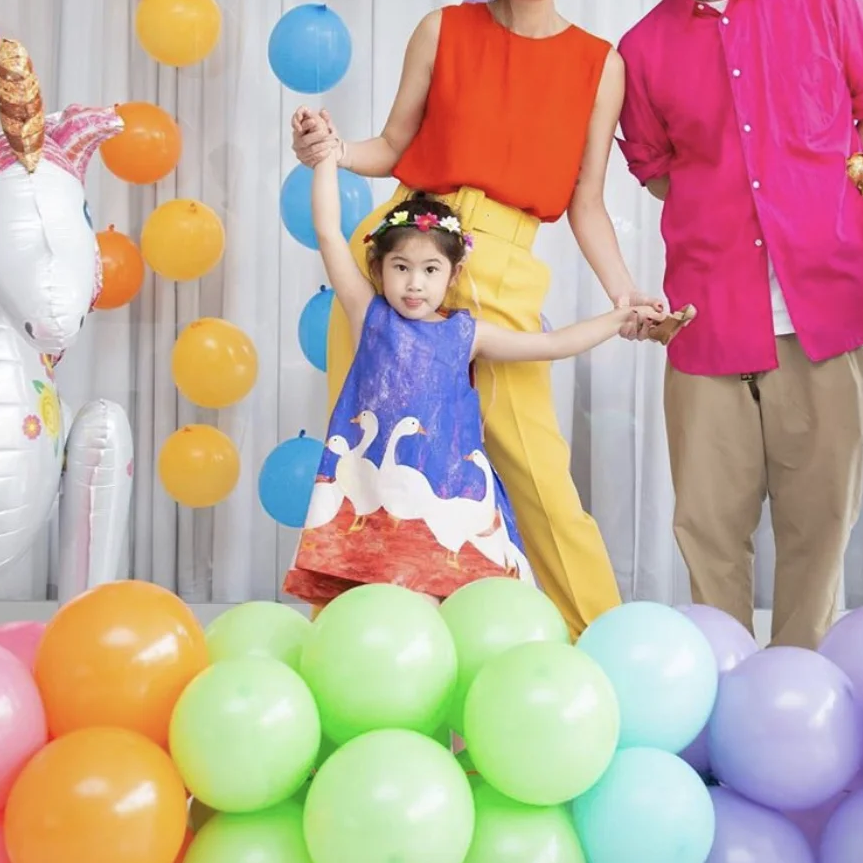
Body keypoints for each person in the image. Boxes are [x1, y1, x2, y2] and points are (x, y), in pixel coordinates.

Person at [291, 0, 681, 635]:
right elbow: (391, 145)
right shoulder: (442, 31)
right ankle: (358, 648)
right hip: (400, 255)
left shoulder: (599, 65)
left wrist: (625, 295)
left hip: (502, 266)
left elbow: (587, 201)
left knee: (539, 476)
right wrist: (330, 150)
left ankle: (604, 648)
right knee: (368, 465)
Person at [614, 0, 863, 649]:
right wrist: (731, 215)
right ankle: (722, 678)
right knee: (707, 522)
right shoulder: (641, 49)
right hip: (709, 312)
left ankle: (800, 683)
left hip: (826, 298)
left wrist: (822, 207)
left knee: (821, 519)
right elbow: (654, 168)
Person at [284, 146, 666, 606]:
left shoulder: (466, 335)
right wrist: (327, 155)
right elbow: (328, 232)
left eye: (430, 270)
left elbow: (552, 345)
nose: (414, 283)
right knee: (381, 604)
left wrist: (618, 319)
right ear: (378, 269)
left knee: (448, 604)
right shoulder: (368, 315)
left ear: (453, 275)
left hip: (443, 495)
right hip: (377, 494)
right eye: (401, 268)